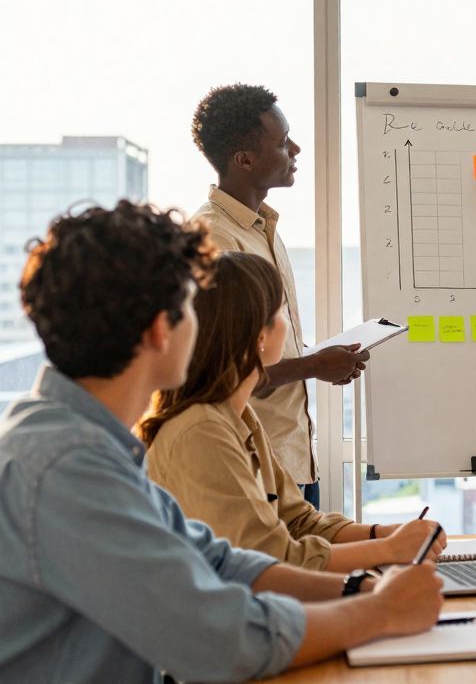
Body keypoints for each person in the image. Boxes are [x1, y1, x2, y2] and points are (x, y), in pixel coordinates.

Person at [0, 202, 443, 682]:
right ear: (158, 329)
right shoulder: (66, 467)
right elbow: (223, 639)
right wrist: (383, 612)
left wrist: (358, 590)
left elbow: (220, 560)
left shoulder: (83, 442)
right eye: (194, 305)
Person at [139, 251, 446, 570]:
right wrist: (389, 549)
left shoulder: (239, 416)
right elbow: (271, 558)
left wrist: (383, 534)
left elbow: (298, 521)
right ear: (259, 334)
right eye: (283, 311)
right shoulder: (201, 430)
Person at [190, 83, 366, 508]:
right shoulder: (216, 238)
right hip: (253, 469)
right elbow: (227, 373)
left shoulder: (263, 230)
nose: (297, 149)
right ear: (245, 159)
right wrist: (315, 365)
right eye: (284, 142)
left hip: (293, 461)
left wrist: (317, 361)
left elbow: (263, 346)